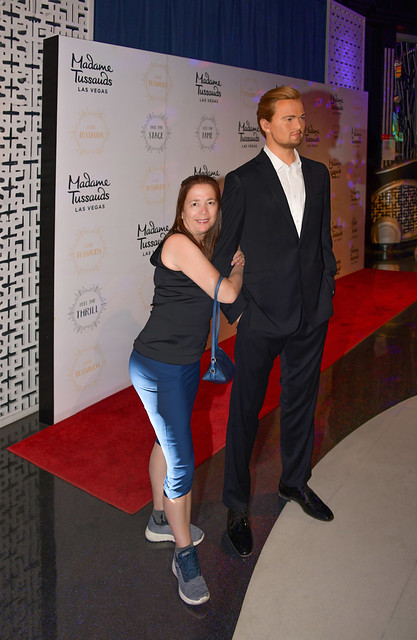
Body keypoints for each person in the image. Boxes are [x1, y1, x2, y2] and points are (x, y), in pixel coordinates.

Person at [212, 86, 337, 557]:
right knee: (245, 413)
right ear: (265, 124)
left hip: (310, 313)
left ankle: (294, 482)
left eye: (300, 118)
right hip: (260, 316)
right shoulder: (242, 180)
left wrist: (325, 291)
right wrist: (238, 312)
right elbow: (223, 254)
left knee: (301, 403)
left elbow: (321, 242)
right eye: (288, 119)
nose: (298, 126)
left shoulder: (321, 176)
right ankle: (237, 507)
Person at [129, 175, 244, 604]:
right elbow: (229, 293)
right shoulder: (179, 245)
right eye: (194, 203)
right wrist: (240, 264)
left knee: (165, 438)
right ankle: (183, 557)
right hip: (159, 367)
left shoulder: (201, 249)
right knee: (182, 462)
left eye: (210, 203)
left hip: (179, 365)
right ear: (181, 211)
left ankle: (160, 519)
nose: (202, 211)